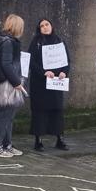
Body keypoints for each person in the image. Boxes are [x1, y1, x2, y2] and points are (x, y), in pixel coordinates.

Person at [27, 17, 69, 151]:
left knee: (57, 110)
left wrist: (64, 73)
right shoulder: (36, 43)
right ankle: (38, 140)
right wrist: (43, 72)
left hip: (56, 83)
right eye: (42, 26)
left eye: (47, 24)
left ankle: (59, 139)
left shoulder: (59, 41)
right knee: (40, 111)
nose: (45, 27)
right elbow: (31, 62)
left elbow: (67, 61)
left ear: (52, 26)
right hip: (40, 83)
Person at [0, 14, 28, 157]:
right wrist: (17, 83)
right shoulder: (8, 42)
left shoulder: (5, 40)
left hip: (7, 82)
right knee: (4, 116)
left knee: (8, 116)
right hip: (8, 84)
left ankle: (7, 145)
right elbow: (6, 64)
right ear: (17, 27)